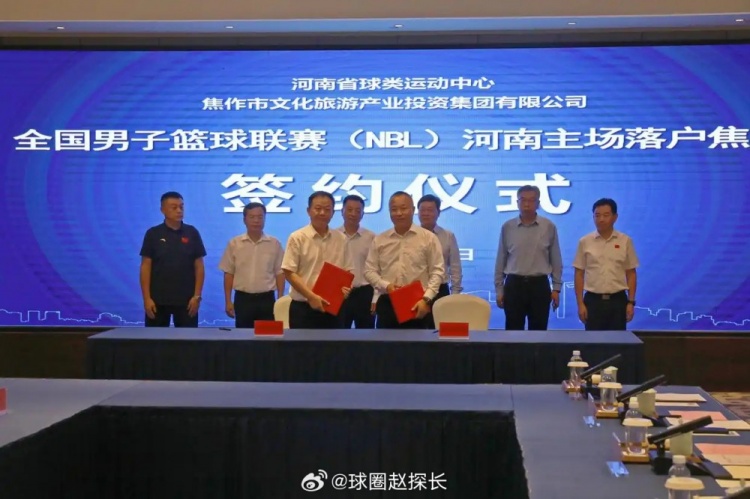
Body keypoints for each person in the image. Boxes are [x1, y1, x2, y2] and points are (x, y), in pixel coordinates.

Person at [365, 191, 444, 329]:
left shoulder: (428, 238)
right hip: (388, 302)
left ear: (413, 210)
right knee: (385, 342)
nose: (399, 213)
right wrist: (386, 285)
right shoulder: (380, 239)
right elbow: (369, 271)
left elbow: (437, 272)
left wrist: (426, 299)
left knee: (418, 342)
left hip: (418, 303)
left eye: (403, 208)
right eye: (394, 209)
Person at [494, 185, 563, 330]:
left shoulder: (548, 226)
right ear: (517, 202)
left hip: (539, 286)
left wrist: (556, 288)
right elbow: (501, 259)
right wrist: (499, 290)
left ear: (538, 203)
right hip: (514, 285)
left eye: (531, 200)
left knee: (539, 332)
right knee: (512, 331)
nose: (527, 204)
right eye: (523, 200)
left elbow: (556, 259)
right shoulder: (507, 227)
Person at [282, 191, 353, 329]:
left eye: (327, 209)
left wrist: (346, 288)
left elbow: (348, 270)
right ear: (308, 211)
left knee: (335, 343)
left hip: (333, 307)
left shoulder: (341, 239)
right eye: (318, 208)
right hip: (303, 308)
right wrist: (311, 297)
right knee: (302, 344)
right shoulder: (298, 237)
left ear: (333, 213)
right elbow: (289, 272)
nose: (322, 213)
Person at [139, 191, 206, 327]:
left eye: (181, 207)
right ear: (162, 210)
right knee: (155, 338)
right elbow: (145, 266)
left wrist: (197, 296)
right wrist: (146, 298)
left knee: (188, 339)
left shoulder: (192, 232)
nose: (179, 210)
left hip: (187, 301)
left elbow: (199, 266)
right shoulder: (153, 233)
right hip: (157, 300)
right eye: (174, 207)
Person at [573, 198, 639, 331]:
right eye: (597, 215)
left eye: (606, 215)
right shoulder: (585, 241)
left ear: (615, 217)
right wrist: (580, 304)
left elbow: (631, 273)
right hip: (593, 301)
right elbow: (579, 274)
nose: (601, 219)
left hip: (618, 301)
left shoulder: (625, 241)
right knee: (593, 341)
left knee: (617, 341)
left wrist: (631, 302)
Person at [218, 202, 285, 328]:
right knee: (244, 337)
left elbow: (280, 273)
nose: (256, 221)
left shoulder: (274, 244)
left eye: (260, 217)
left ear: (265, 219)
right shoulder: (234, 244)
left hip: (267, 300)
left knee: (267, 336)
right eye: (252, 217)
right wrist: (228, 301)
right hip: (243, 300)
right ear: (244, 220)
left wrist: (280, 299)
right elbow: (229, 273)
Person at [417, 194, 463, 329]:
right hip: (416, 290)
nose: (425, 213)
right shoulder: (411, 235)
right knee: (416, 330)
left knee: (440, 331)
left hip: (440, 290)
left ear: (438, 212)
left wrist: (455, 295)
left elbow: (455, 267)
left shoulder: (448, 236)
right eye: (422, 210)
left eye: (430, 210)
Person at [337, 195, 377, 329]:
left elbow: (377, 268)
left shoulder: (371, 237)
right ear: (342, 211)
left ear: (363, 214)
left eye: (357, 210)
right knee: (339, 333)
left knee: (367, 334)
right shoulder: (334, 236)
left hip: (365, 293)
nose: (353, 214)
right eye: (349, 210)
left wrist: (376, 296)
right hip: (341, 292)